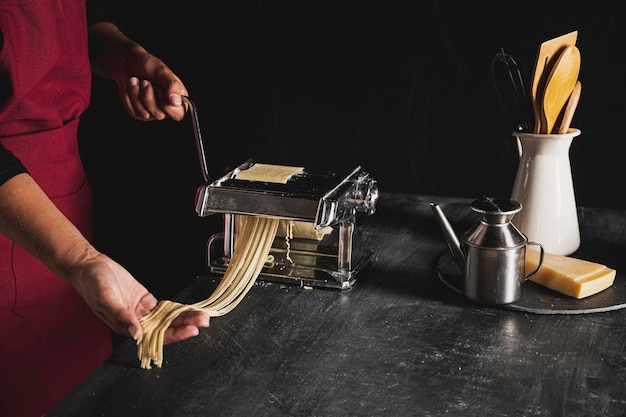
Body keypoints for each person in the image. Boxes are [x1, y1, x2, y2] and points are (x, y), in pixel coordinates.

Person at [0, 1, 210, 416]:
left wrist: (123, 54)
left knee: (84, 393)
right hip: (16, 220)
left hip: (70, 219)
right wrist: (78, 258)